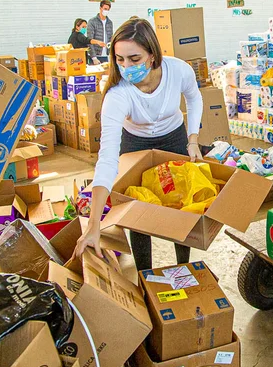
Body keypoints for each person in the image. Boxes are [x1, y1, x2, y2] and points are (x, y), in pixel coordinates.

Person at [73, 17, 204, 270]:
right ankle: (145, 275)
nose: (126, 67)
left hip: (173, 137)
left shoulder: (178, 70)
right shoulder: (118, 94)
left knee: (181, 204)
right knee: (137, 209)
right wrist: (93, 225)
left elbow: (194, 98)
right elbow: (108, 158)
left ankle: (183, 266)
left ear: (152, 55)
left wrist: (193, 140)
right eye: (119, 60)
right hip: (135, 143)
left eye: (134, 59)